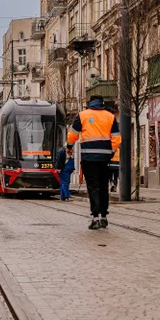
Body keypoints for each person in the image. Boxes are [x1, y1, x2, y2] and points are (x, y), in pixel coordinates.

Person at [67, 95, 121, 230]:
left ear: (89, 103)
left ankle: (95, 217)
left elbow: (73, 134)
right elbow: (116, 137)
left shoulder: (82, 115)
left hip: (89, 158)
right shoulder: (110, 116)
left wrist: (69, 146)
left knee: (93, 187)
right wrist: (112, 151)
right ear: (102, 103)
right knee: (104, 187)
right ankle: (104, 217)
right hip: (105, 159)